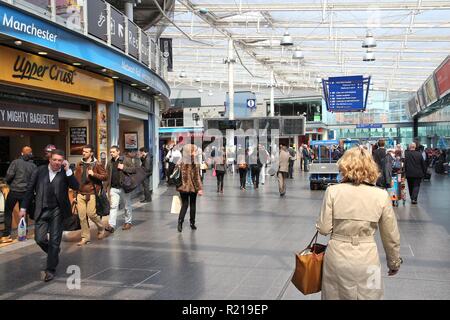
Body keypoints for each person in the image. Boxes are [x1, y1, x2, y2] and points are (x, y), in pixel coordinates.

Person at [316, 146, 402, 300]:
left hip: (338, 257)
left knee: (335, 296)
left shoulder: (333, 191)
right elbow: (391, 235)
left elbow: (323, 229)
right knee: (371, 294)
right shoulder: (381, 195)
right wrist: (394, 262)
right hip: (369, 259)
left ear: (344, 166)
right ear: (371, 167)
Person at [20, 149, 79, 282]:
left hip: (58, 211)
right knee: (39, 239)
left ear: (62, 161)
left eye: (60, 160)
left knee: (54, 240)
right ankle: (54, 252)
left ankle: (50, 269)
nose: (57, 163)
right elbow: (29, 190)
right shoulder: (39, 171)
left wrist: (69, 170)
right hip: (42, 209)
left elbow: (76, 186)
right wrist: (23, 207)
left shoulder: (65, 172)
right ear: (50, 160)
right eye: (55, 160)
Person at [0, 146, 37, 243]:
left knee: (8, 211)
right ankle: (22, 234)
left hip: (14, 191)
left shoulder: (15, 162)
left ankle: (7, 235)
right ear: (30, 154)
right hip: (26, 193)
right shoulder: (33, 166)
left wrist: (6, 182)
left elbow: (9, 175)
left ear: (21, 153)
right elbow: (35, 180)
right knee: (23, 213)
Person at [73, 145, 107, 246]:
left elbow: (105, 176)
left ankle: (101, 227)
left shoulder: (97, 164)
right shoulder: (79, 163)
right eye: (83, 151)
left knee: (91, 214)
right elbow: (76, 180)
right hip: (80, 193)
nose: (84, 153)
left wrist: (94, 174)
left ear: (91, 153)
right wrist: (75, 194)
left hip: (92, 193)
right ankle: (85, 238)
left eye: (86, 152)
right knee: (82, 217)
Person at [104, 146, 136, 233]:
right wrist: (105, 187)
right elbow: (107, 176)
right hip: (114, 188)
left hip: (124, 187)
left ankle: (128, 222)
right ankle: (111, 225)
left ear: (118, 152)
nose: (111, 153)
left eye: (113, 152)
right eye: (110, 152)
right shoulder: (110, 162)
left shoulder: (125, 160)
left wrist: (124, 168)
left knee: (127, 205)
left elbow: (134, 169)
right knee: (113, 206)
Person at [176, 144, 203, 232]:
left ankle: (180, 222)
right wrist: (199, 188)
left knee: (184, 204)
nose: (195, 152)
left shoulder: (180, 160)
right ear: (191, 152)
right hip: (192, 187)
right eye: (194, 150)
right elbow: (196, 176)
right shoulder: (194, 161)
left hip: (182, 187)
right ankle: (192, 223)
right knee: (192, 204)